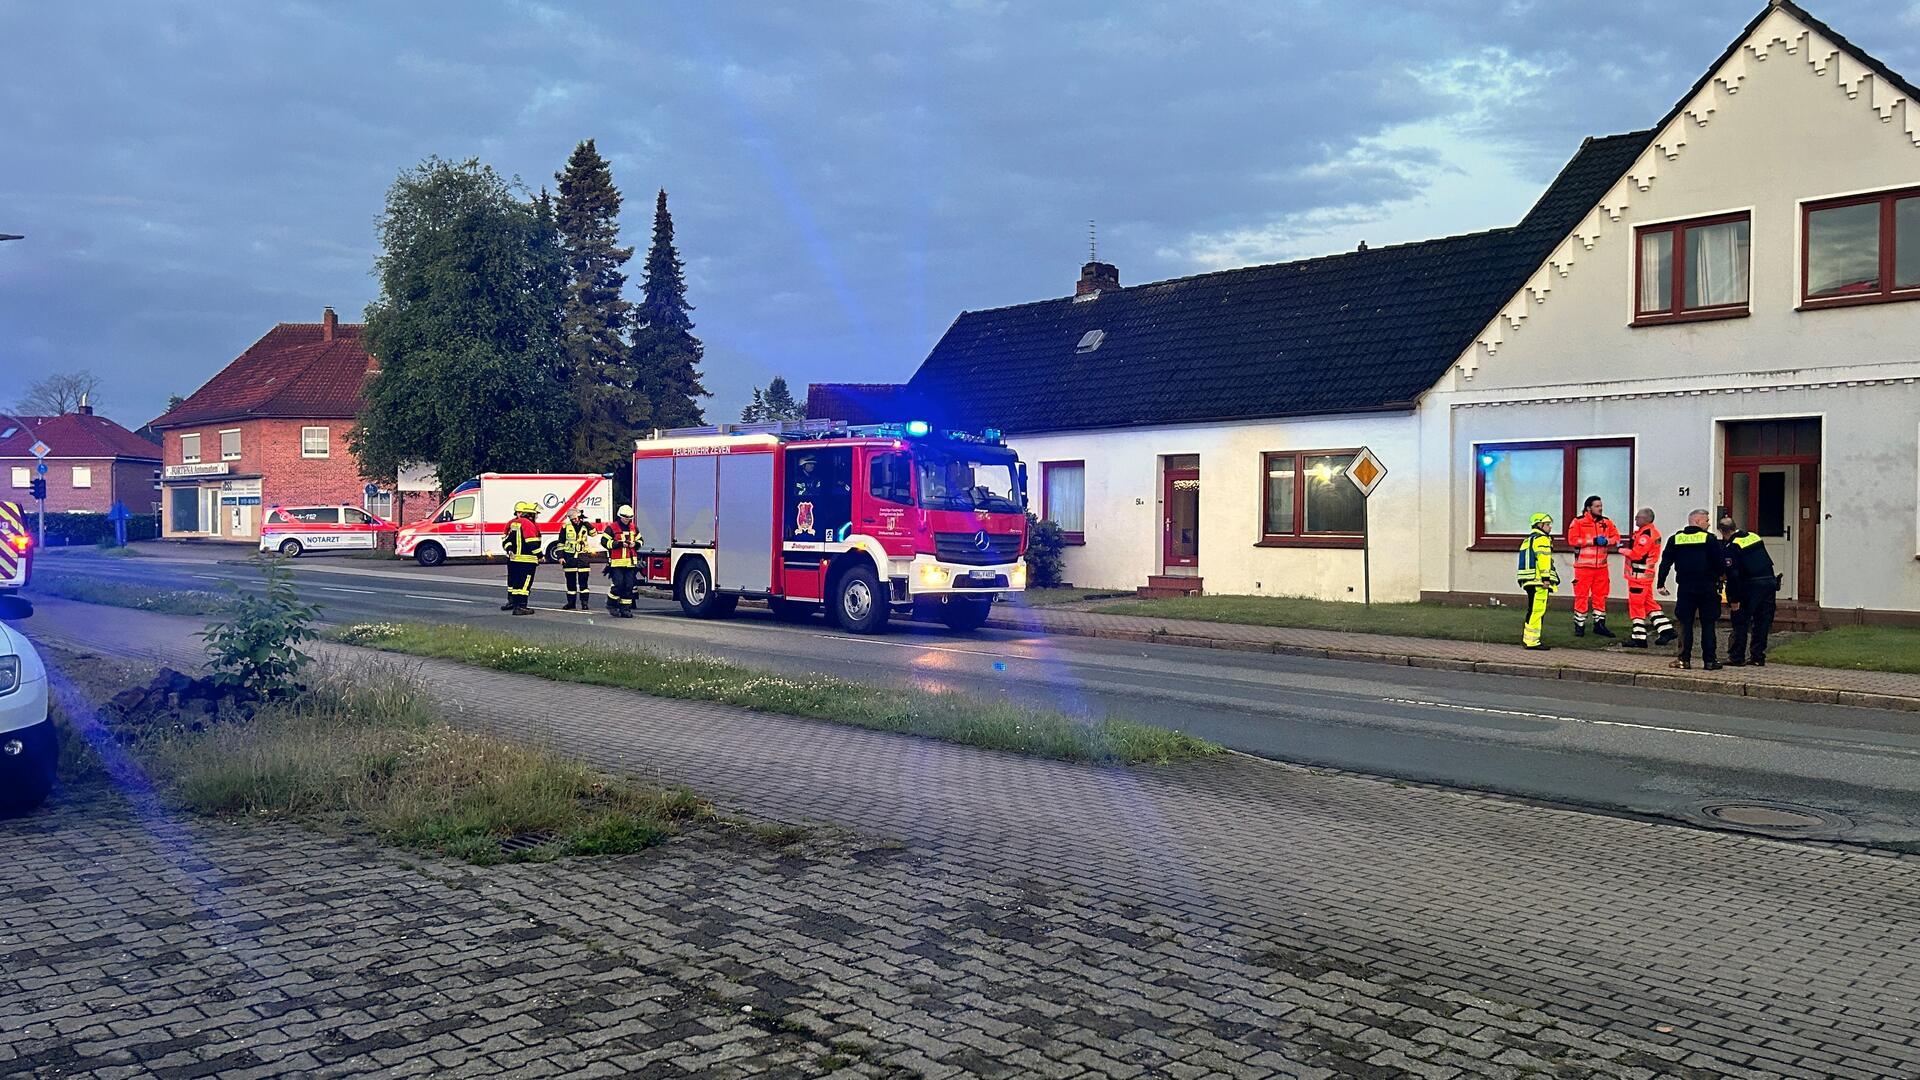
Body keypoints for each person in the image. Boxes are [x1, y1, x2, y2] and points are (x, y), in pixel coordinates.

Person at [1657, 509, 1726, 670]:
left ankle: (1683, 660)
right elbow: (1720, 564)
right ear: (1697, 521)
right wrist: (1717, 576)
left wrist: (1661, 583)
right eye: (1706, 520)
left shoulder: (1676, 539)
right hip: (1707, 587)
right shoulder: (1709, 539)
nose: (1709, 523)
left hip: (1686, 588)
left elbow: (1665, 562)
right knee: (1708, 623)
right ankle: (1710, 661)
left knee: (1685, 623)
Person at [1719, 515, 1779, 667]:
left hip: (1750, 586)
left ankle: (1736, 657)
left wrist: (1734, 599)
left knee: (1740, 622)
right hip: (1769, 583)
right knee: (1762, 622)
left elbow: (1733, 576)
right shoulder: (1754, 536)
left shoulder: (1732, 547)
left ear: (1722, 531)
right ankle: (1758, 657)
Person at [1620, 508, 1677, 649]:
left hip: (1639, 577)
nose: (1635, 520)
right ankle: (1667, 630)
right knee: (1649, 604)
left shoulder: (1646, 535)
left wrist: (1621, 550)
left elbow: (1637, 555)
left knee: (1636, 607)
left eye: (1638, 517)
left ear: (1646, 519)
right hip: (1643, 576)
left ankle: (1639, 638)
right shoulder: (1647, 533)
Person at [1565, 495, 1620, 638]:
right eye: (1597, 506)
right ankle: (1579, 626)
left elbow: (1616, 538)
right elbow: (1572, 540)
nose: (1600, 508)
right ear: (1589, 508)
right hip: (1583, 567)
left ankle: (1599, 625)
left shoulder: (1606, 522)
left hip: (1601, 567)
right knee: (1581, 596)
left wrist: (1607, 541)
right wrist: (1593, 540)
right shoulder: (1578, 522)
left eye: (1601, 506)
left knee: (1600, 596)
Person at [1515, 512, 1559, 650]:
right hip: (1539, 581)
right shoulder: (1542, 539)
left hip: (1528, 581)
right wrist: (1546, 579)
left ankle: (1528, 640)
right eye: (1547, 524)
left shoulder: (1528, 540)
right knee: (1537, 611)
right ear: (1539, 525)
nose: (1550, 527)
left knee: (1532, 610)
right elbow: (1544, 560)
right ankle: (1532, 642)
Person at [501, 501, 542, 615]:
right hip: (526, 560)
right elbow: (532, 542)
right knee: (524, 584)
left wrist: (509, 550)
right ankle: (520, 607)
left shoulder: (515, 523)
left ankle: (514, 603)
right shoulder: (527, 524)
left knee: (515, 583)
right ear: (530, 514)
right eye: (536, 514)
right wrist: (540, 556)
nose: (537, 516)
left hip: (515, 560)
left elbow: (507, 540)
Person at [600, 504, 640, 618]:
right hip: (617, 563)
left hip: (630, 563)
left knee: (629, 586)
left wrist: (635, 544)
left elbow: (640, 540)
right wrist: (618, 544)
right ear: (620, 516)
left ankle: (625, 609)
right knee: (618, 584)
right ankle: (611, 604)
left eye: (629, 517)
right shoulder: (612, 528)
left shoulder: (634, 528)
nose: (627, 519)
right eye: (625, 517)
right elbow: (604, 542)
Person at [557, 507, 594, 611]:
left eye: (576, 518)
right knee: (570, 582)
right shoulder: (565, 527)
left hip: (583, 557)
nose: (575, 520)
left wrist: (587, 524)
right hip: (569, 557)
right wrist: (560, 556)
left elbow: (594, 533)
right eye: (573, 519)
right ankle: (571, 603)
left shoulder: (585, 526)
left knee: (584, 582)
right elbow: (560, 542)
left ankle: (584, 603)